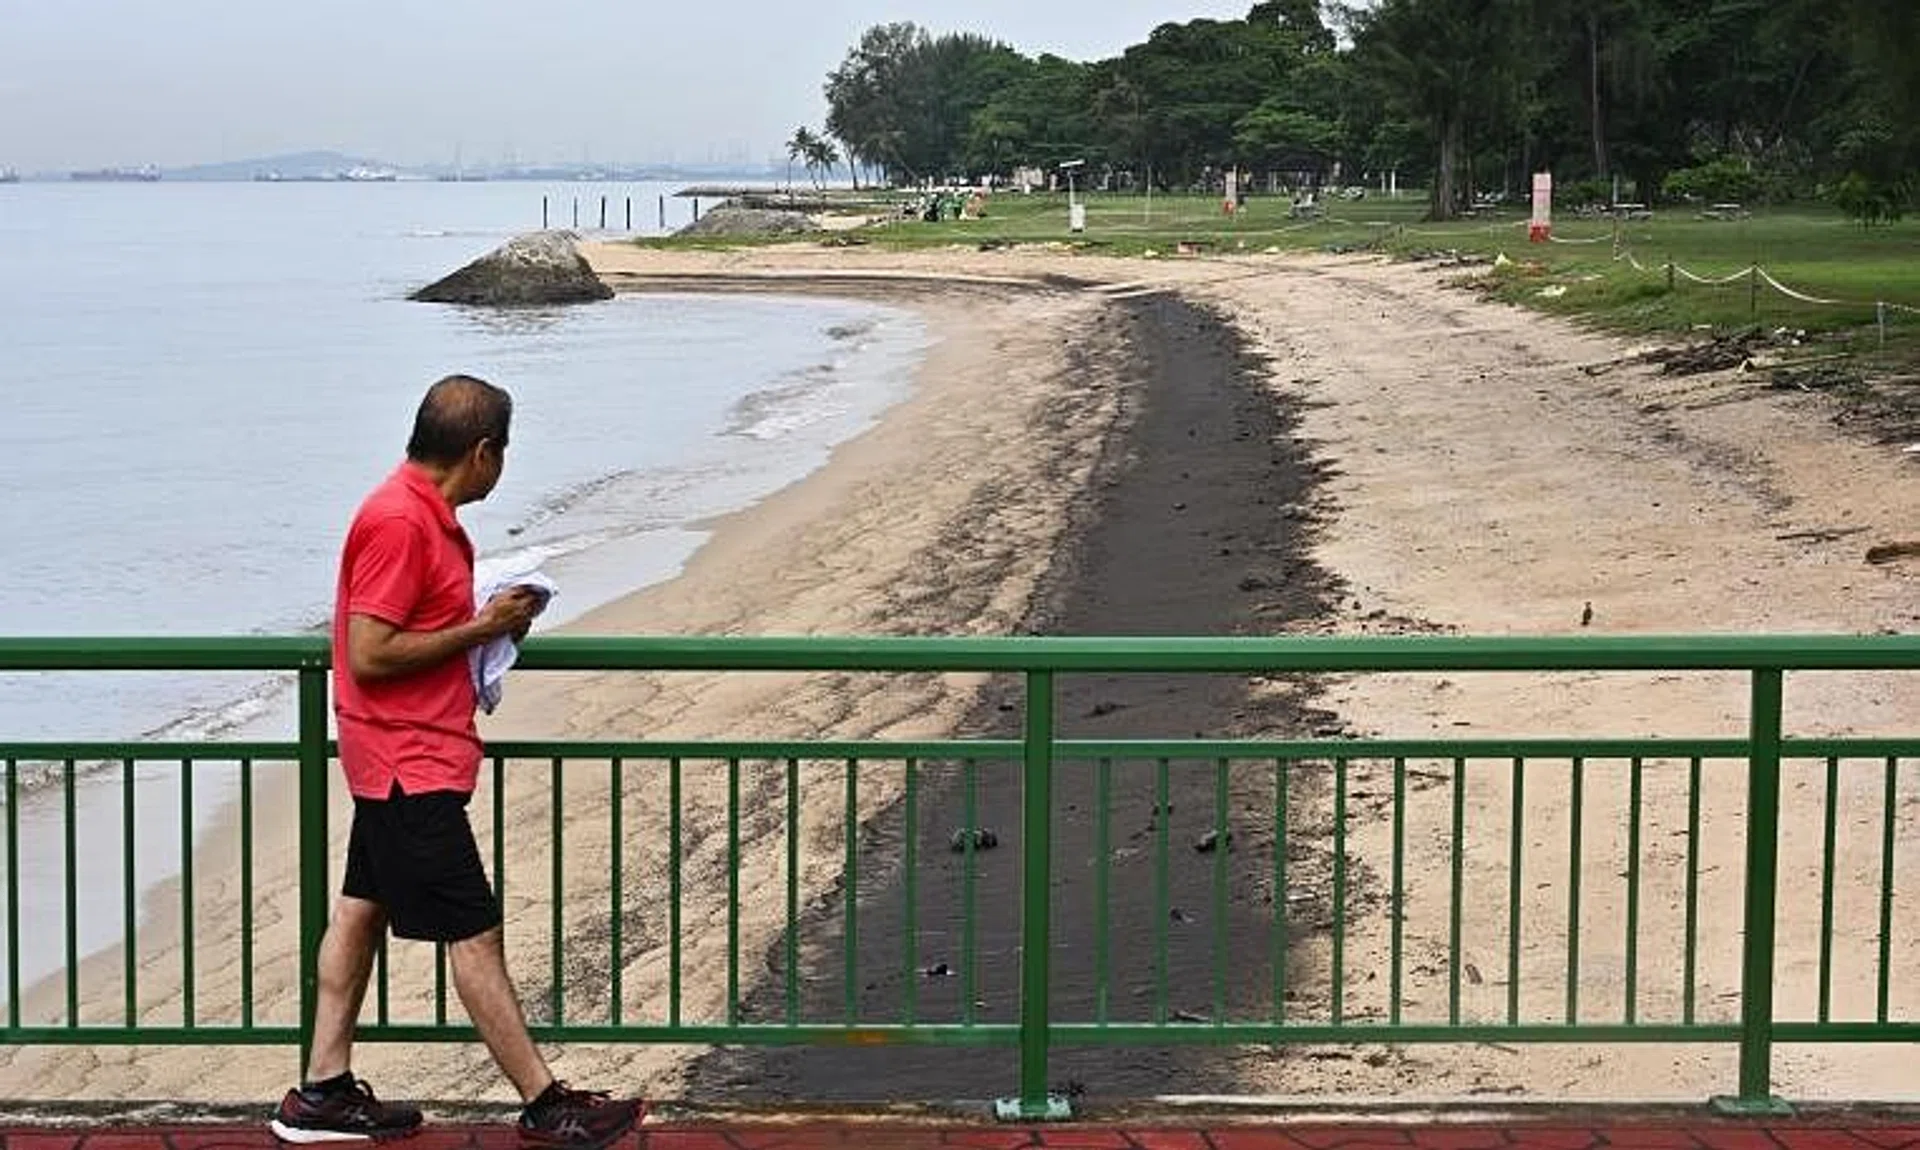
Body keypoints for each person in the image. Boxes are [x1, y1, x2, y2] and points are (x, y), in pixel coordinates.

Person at [271, 375, 643, 1148]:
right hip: (409, 762)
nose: (498, 470)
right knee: (474, 934)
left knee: (360, 913)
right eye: (500, 456)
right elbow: (369, 653)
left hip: (398, 756)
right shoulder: (401, 520)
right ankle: (547, 1105)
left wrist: (491, 624)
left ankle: (322, 1092)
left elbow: (397, 630)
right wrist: (480, 630)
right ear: (482, 453)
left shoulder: (418, 515)